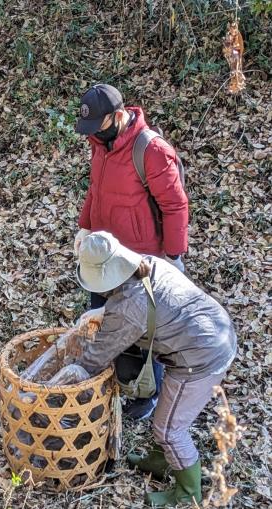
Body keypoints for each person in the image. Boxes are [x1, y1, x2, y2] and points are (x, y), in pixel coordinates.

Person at [74, 232, 236, 507]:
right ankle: (162, 461)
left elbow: (97, 356)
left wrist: (71, 374)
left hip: (200, 358)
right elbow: (153, 302)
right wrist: (101, 314)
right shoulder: (148, 262)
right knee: (166, 416)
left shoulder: (127, 307)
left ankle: (187, 495)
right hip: (214, 329)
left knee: (169, 429)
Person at [72, 84, 189, 419]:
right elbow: (95, 190)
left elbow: (175, 206)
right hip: (102, 255)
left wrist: (172, 257)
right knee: (102, 322)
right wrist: (85, 226)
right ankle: (107, 384)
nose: (93, 134)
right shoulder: (100, 144)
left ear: (118, 116)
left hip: (141, 260)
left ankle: (144, 396)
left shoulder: (151, 150)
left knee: (141, 329)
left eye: (98, 125)